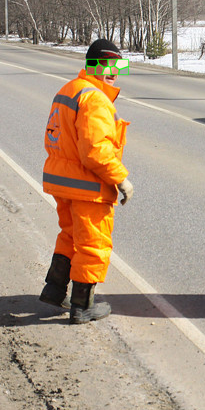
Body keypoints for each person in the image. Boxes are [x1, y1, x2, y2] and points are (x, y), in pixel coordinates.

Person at [39, 39, 133, 324]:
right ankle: (82, 306)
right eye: (107, 64)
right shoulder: (94, 98)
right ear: (92, 65)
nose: (114, 71)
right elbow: (95, 150)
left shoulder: (69, 89)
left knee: (70, 235)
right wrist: (121, 179)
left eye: (119, 65)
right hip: (87, 186)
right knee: (93, 242)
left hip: (62, 181)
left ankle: (54, 290)